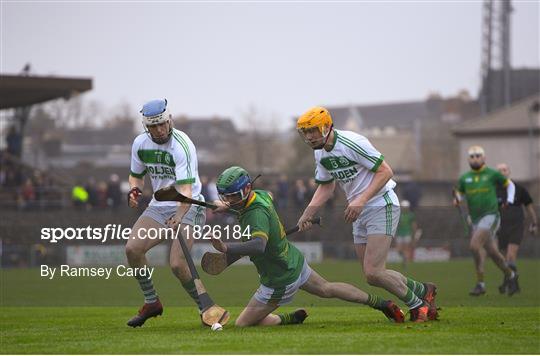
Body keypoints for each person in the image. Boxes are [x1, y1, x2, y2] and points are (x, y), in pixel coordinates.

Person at [210, 166, 405, 327]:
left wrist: (226, 248)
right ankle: (382, 303)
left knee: (243, 324)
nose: (229, 201)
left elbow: (259, 245)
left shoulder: (255, 214)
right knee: (327, 288)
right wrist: (228, 206)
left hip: (280, 277)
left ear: (245, 191)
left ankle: (287, 319)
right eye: (225, 197)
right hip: (293, 260)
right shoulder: (260, 195)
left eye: (232, 197)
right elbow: (266, 196)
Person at [295, 107, 437, 322]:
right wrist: (308, 212)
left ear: (325, 126)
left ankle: (419, 306)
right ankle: (424, 289)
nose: (309, 136)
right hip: (358, 211)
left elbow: (386, 171)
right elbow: (326, 187)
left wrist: (360, 200)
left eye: (312, 130)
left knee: (374, 271)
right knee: (372, 276)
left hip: (381, 204)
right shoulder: (320, 153)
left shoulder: (352, 142)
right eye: (305, 132)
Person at [125, 98, 223, 327]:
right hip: (159, 207)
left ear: (170, 120)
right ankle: (152, 302)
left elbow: (186, 190)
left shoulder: (182, 145)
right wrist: (134, 189)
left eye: (162, 124)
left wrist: (179, 215)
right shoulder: (140, 143)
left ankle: (206, 309)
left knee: (178, 265)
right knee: (132, 249)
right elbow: (135, 174)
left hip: (190, 204)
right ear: (145, 127)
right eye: (153, 126)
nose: (158, 130)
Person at [453, 146, 519, 296]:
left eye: (478, 155)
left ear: (484, 158)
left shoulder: (492, 174)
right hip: (475, 219)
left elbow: (510, 185)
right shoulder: (465, 178)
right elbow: (460, 194)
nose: (475, 158)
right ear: (468, 159)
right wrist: (457, 198)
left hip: (491, 216)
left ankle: (480, 283)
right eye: (472, 156)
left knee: (474, 246)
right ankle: (511, 275)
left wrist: (509, 200)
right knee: (493, 253)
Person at [495, 163, 538, 294]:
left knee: (511, 255)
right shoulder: (493, 190)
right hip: (500, 227)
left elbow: (529, 206)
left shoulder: (518, 189)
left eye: (505, 170)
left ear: (509, 172)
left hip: (516, 226)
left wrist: (534, 223)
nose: (502, 172)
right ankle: (513, 283)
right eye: (500, 171)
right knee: (503, 259)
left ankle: (511, 285)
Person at [395, 200, 419, 268]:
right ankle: (405, 258)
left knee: (406, 249)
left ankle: (405, 263)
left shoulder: (411, 215)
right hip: (399, 234)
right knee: (399, 250)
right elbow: (396, 225)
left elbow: (414, 226)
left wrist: (414, 235)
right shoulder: (399, 215)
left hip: (407, 234)